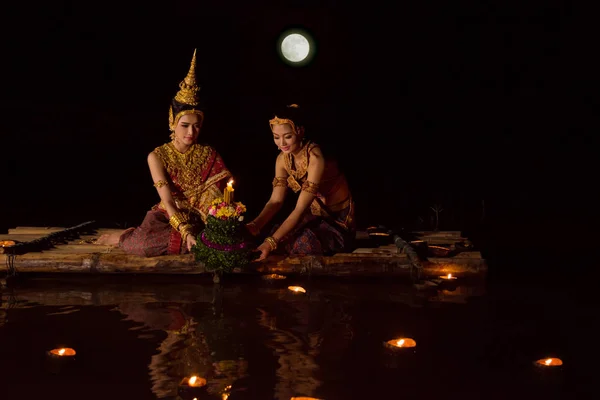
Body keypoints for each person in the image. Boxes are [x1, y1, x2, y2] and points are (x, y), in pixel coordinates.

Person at [96, 50, 232, 256]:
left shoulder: (209, 154)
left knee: (227, 240)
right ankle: (125, 237)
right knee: (141, 246)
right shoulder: (157, 156)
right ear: (172, 122)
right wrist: (186, 232)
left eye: (197, 126)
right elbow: (167, 201)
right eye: (185, 125)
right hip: (169, 217)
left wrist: (217, 222)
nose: (191, 132)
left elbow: (218, 198)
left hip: (200, 219)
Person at [246, 104, 355, 261]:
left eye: (287, 136)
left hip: (337, 222)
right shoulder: (282, 159)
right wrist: (254, 226)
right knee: (277, 237)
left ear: (300, 131)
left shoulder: (315, 158)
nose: (282, 143)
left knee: (301, 243)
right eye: (276, 137)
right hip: (313, 217)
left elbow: (300, 209)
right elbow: (276, 201)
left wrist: (270, 243)